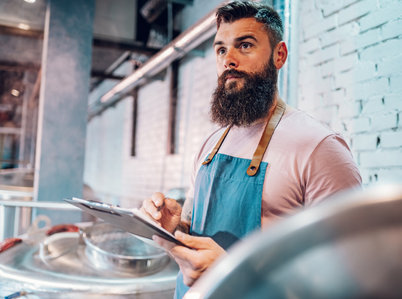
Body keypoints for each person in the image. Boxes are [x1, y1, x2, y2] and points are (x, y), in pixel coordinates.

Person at [141, 1, 362, 298]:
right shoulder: (211, 144)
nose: (229, 59)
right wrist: (174, 227)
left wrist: (239, 273)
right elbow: (195, 226)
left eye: (244, 45)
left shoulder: (319, 148)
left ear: (279, 55)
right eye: (221, 50)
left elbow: (348, 277)